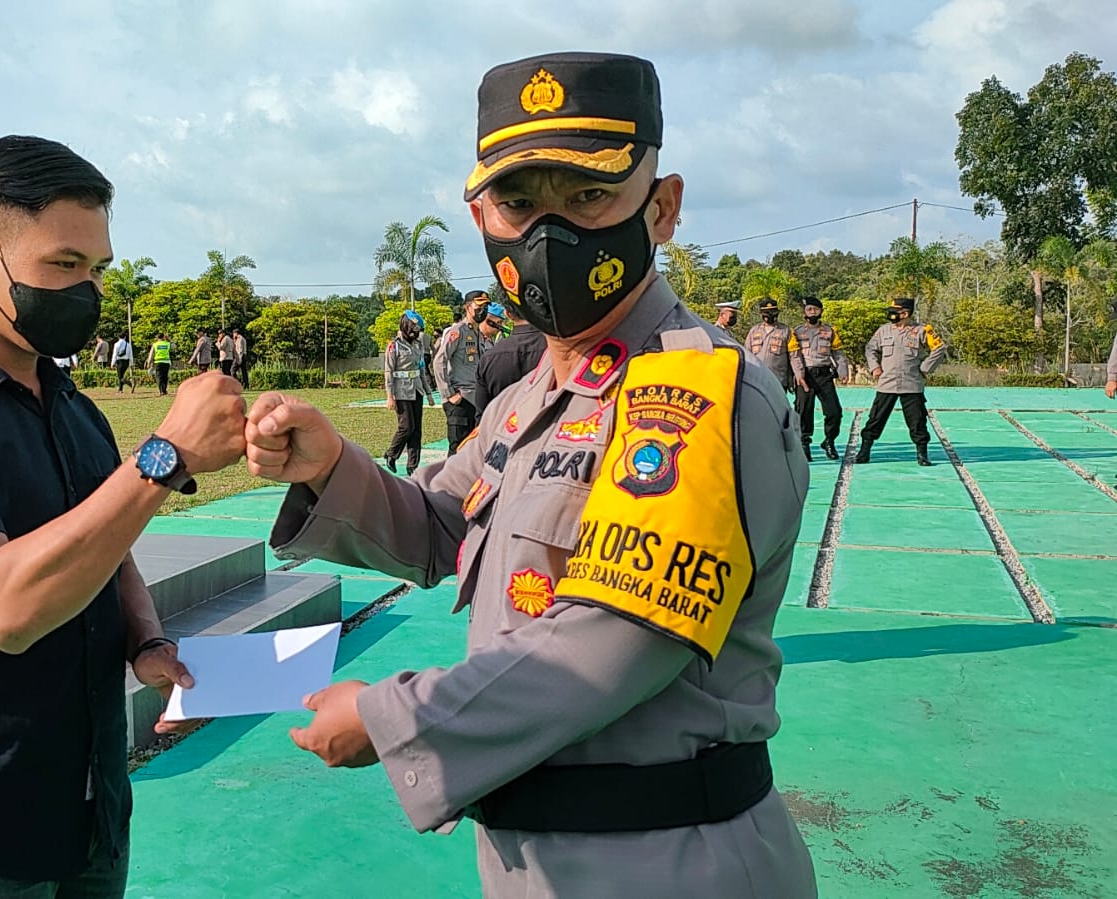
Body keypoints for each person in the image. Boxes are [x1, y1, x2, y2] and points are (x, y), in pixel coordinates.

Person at [244, 52, 816, 897]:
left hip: (662, 858)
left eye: (587, 196)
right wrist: (331, 465)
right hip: (539, 856)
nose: (550, 235)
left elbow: (614, 638)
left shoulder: (690, 393)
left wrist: (388, 718)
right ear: (481, 215)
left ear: (661, 207)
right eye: (518, 204)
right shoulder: (531, 394)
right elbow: (441, 526)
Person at [0, 136, 248, 898]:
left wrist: (148, 641)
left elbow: (110, 548)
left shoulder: (73, 407)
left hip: (93, 803)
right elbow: (2, 607)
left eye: (96, 268)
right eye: (65, 264)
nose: (87, 290)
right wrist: (163, 456)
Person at [858, 296, 945, 466]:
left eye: (895, 312)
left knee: (917, 421)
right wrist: (875, 367)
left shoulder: (922, 330)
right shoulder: (883, 330)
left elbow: (939, 348)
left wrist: (925, 368)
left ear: (905, 313)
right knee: (875, 418)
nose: (891, 314)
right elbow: (870, 349)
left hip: (911, 383)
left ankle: (922, 454)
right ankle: (864, 451)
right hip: (887, 383)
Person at [434, 292, 507, 454]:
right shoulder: (457, 331)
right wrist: (449, 393)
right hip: (460, 400)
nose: (482, 310)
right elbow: (439, 361)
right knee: (458, 450)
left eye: (485, 307)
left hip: (476, 400)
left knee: (473, 451)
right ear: (468, 307)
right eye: (479, 307)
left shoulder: (478, 334)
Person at [791, 297, 848, 461]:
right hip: (805, 376)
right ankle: (804, 443)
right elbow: (794, 356)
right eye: (809, 309)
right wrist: (798, 375)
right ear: (804, 312)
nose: (812, 312)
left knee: (834, 412)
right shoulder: (796, 332)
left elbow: (838, 353)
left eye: (816, 309)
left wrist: (843, 372)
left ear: (821, 311)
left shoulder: (830, 331)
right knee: (803, 412)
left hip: (824, 375)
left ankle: (829, 441)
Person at [473, 299, 547, 410]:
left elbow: (482, 413)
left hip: (502, 419)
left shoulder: (489, 358)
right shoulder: (557, 350)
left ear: (508, 314)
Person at [382, 310, 431, 475]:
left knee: (417, 430)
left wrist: (428, 393)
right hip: (401, 391)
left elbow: (421, 369)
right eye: (414, 329)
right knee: (406, 427)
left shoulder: (418, 344)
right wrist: (389, 396)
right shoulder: (394, 346)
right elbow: (388, 371)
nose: (417, 333)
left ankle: (412, 466)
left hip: (417, 389)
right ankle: (391, 453)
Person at [745, 298, 795, 393]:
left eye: (772, 312)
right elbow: (747, 355)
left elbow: (794, 357)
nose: (770, 315)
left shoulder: (786, 331)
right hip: (757, 380)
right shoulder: (753, 331)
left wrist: (796, 377)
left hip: (778, 379)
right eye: (767, 313)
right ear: (761, 314)